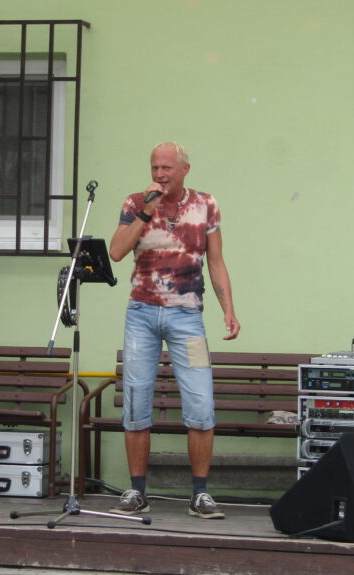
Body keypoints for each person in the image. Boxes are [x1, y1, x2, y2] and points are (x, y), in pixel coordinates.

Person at [107, 141, 240, 519]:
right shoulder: (136, 202)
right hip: (141, 316)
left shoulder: (206, 204)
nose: (160, 174)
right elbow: (116, 252)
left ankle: (200, 494)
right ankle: (137, 491)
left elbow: (216, 261)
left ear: (185, 169)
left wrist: (229, 310)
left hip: (188, 319)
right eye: (155, 168)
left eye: (166, 168)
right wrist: (146, 211)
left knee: (201, 402)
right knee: (136, 400)